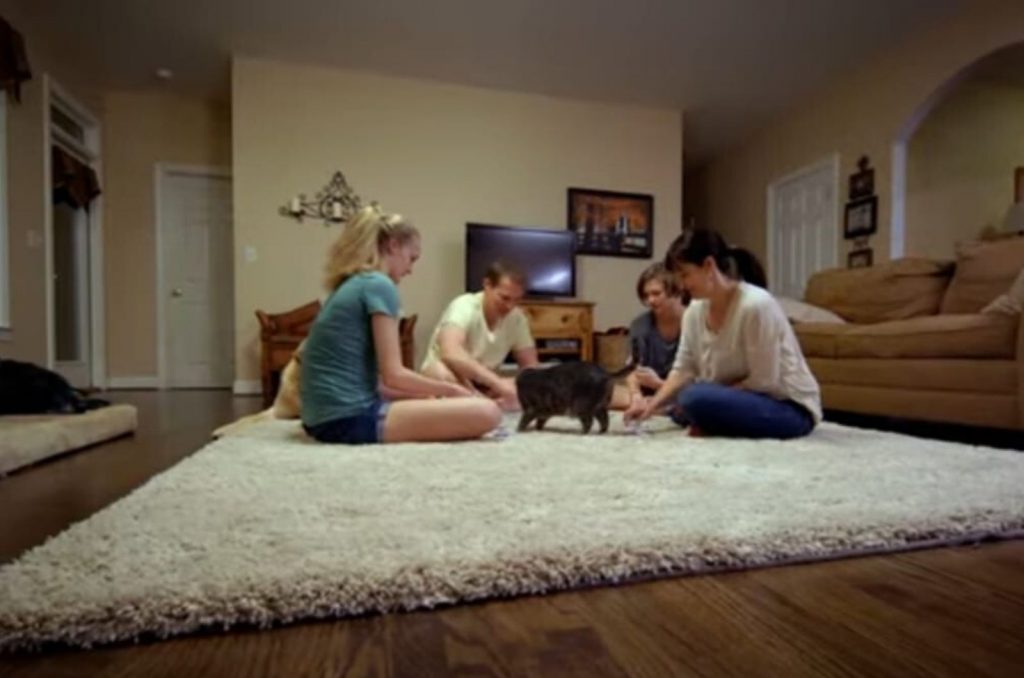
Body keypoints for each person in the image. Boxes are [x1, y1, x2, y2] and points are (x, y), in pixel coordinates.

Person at [301, 206, 502, 444]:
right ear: (393, 246)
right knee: (488, 412)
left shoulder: (353, 284)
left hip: (318, 419)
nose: (410, 270)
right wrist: (453, 391)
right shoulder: (379, 285)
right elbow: (394, 376)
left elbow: (378, 383)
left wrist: (428, 394)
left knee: (441, 402)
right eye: (411, 258)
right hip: (345, 420)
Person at [624, 229, 821, 439]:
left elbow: (765, 382)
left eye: (685, 275)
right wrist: (650, 406)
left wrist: (714, 394)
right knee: (687, 404)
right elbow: (683, 369)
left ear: (708, 266)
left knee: (693, 398)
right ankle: (708, 417)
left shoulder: (755, 305)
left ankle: (707, 418)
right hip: (739, 398)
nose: (681, 285)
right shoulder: (694, 311)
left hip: (787, 408)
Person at [420, 261, 539, 409]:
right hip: (454, 375)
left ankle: (478, 400)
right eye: (504, 298)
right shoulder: (464, 305)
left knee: (521, 383)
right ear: (487, 285)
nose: (510, 306)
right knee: (440, 373)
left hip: (484, 383)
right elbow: (450, 352)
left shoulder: (517, 318)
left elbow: (530, 366)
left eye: (516, 300)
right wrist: (498, 383)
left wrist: (519, 386)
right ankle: (479, 401)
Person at [610, 263, 687, 411]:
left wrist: (659, 384)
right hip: (647, 391)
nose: (650, 300)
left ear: (677, 292)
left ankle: (661, 405)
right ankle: (651, 405)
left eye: (656, 294)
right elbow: (632, 370)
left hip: (681, 390)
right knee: (595, 392)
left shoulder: (695, 321)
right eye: (646, 295)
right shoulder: (640, 325)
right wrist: (636, 394)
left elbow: (702, 377)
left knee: (695, 398)